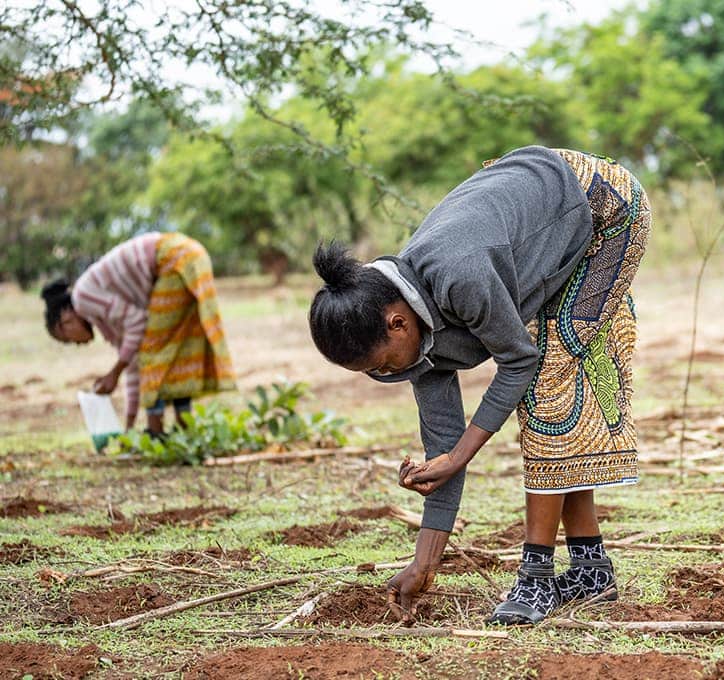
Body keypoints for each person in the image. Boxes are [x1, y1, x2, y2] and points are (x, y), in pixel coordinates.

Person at [308, 146, 649, 625]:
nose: (385, 376)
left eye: (382, 365)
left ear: (397, 322)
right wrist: (425, 563)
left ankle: (536, 577)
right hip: (543, 211)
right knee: (551, 375)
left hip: (603, 207)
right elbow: (443, 441)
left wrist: (463, 454)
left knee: (546, 383)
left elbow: (517, 362)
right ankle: (591, 567)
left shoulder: (459, 275)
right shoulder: (413, 321)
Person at [41, 233, 236, 434]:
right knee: (178, 348)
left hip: (173, 258)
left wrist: (114, 373)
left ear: (66, 320)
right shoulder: (105, 320)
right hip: (190, 253)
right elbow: (132, 364)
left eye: (67, 339)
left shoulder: (83, 297)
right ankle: (184, 427)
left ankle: (156, 431)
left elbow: (138, 323)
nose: (76, 344)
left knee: (151, 348)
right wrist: (129, 428)